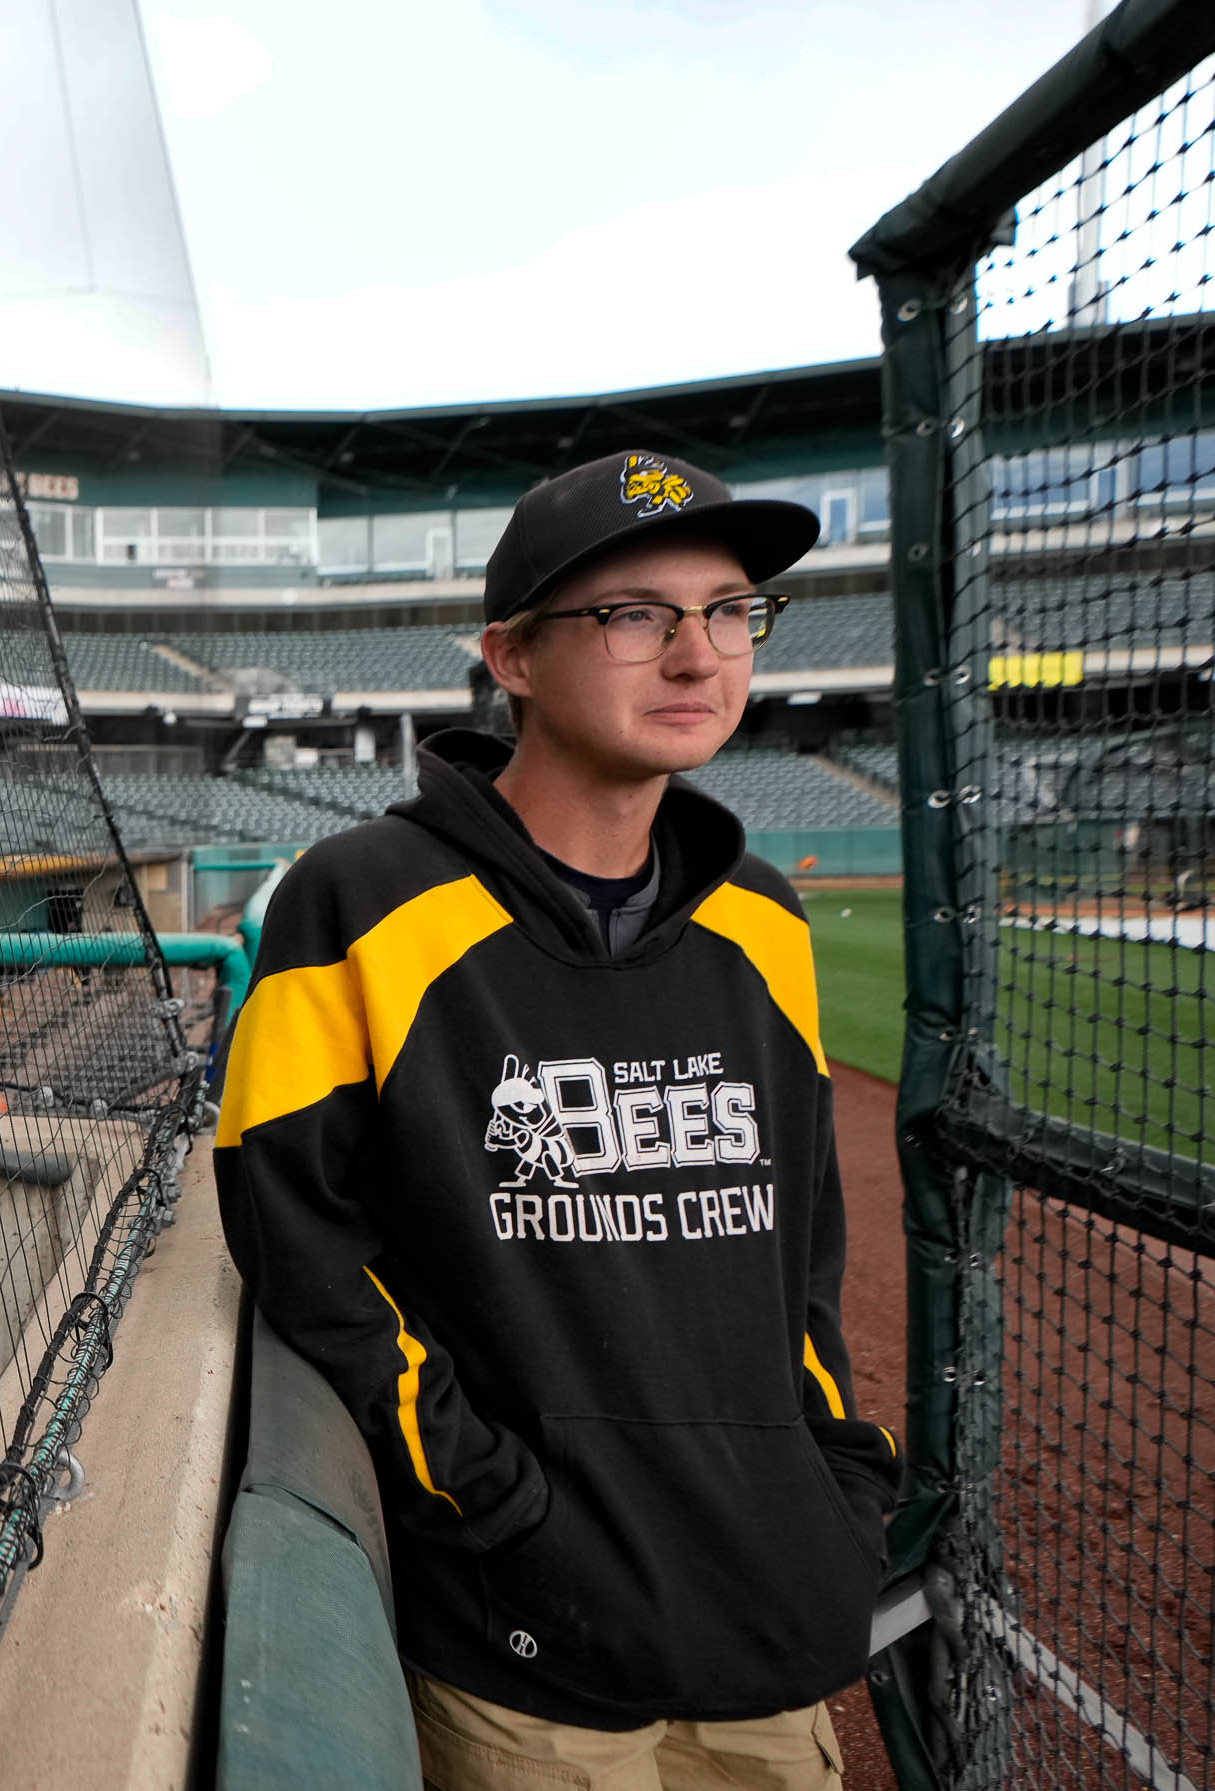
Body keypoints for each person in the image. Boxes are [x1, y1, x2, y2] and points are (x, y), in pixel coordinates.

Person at [215, 450, 899, 1790]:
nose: (699, 656)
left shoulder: (763, 915)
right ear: (512, 656)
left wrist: (834, 1483)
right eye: (636, 614)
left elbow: (799, 1257)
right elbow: (300, 1243)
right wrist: (490, 1502)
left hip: (769, 1621)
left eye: (729, 610)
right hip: (528, 1653)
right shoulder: (356, 901)